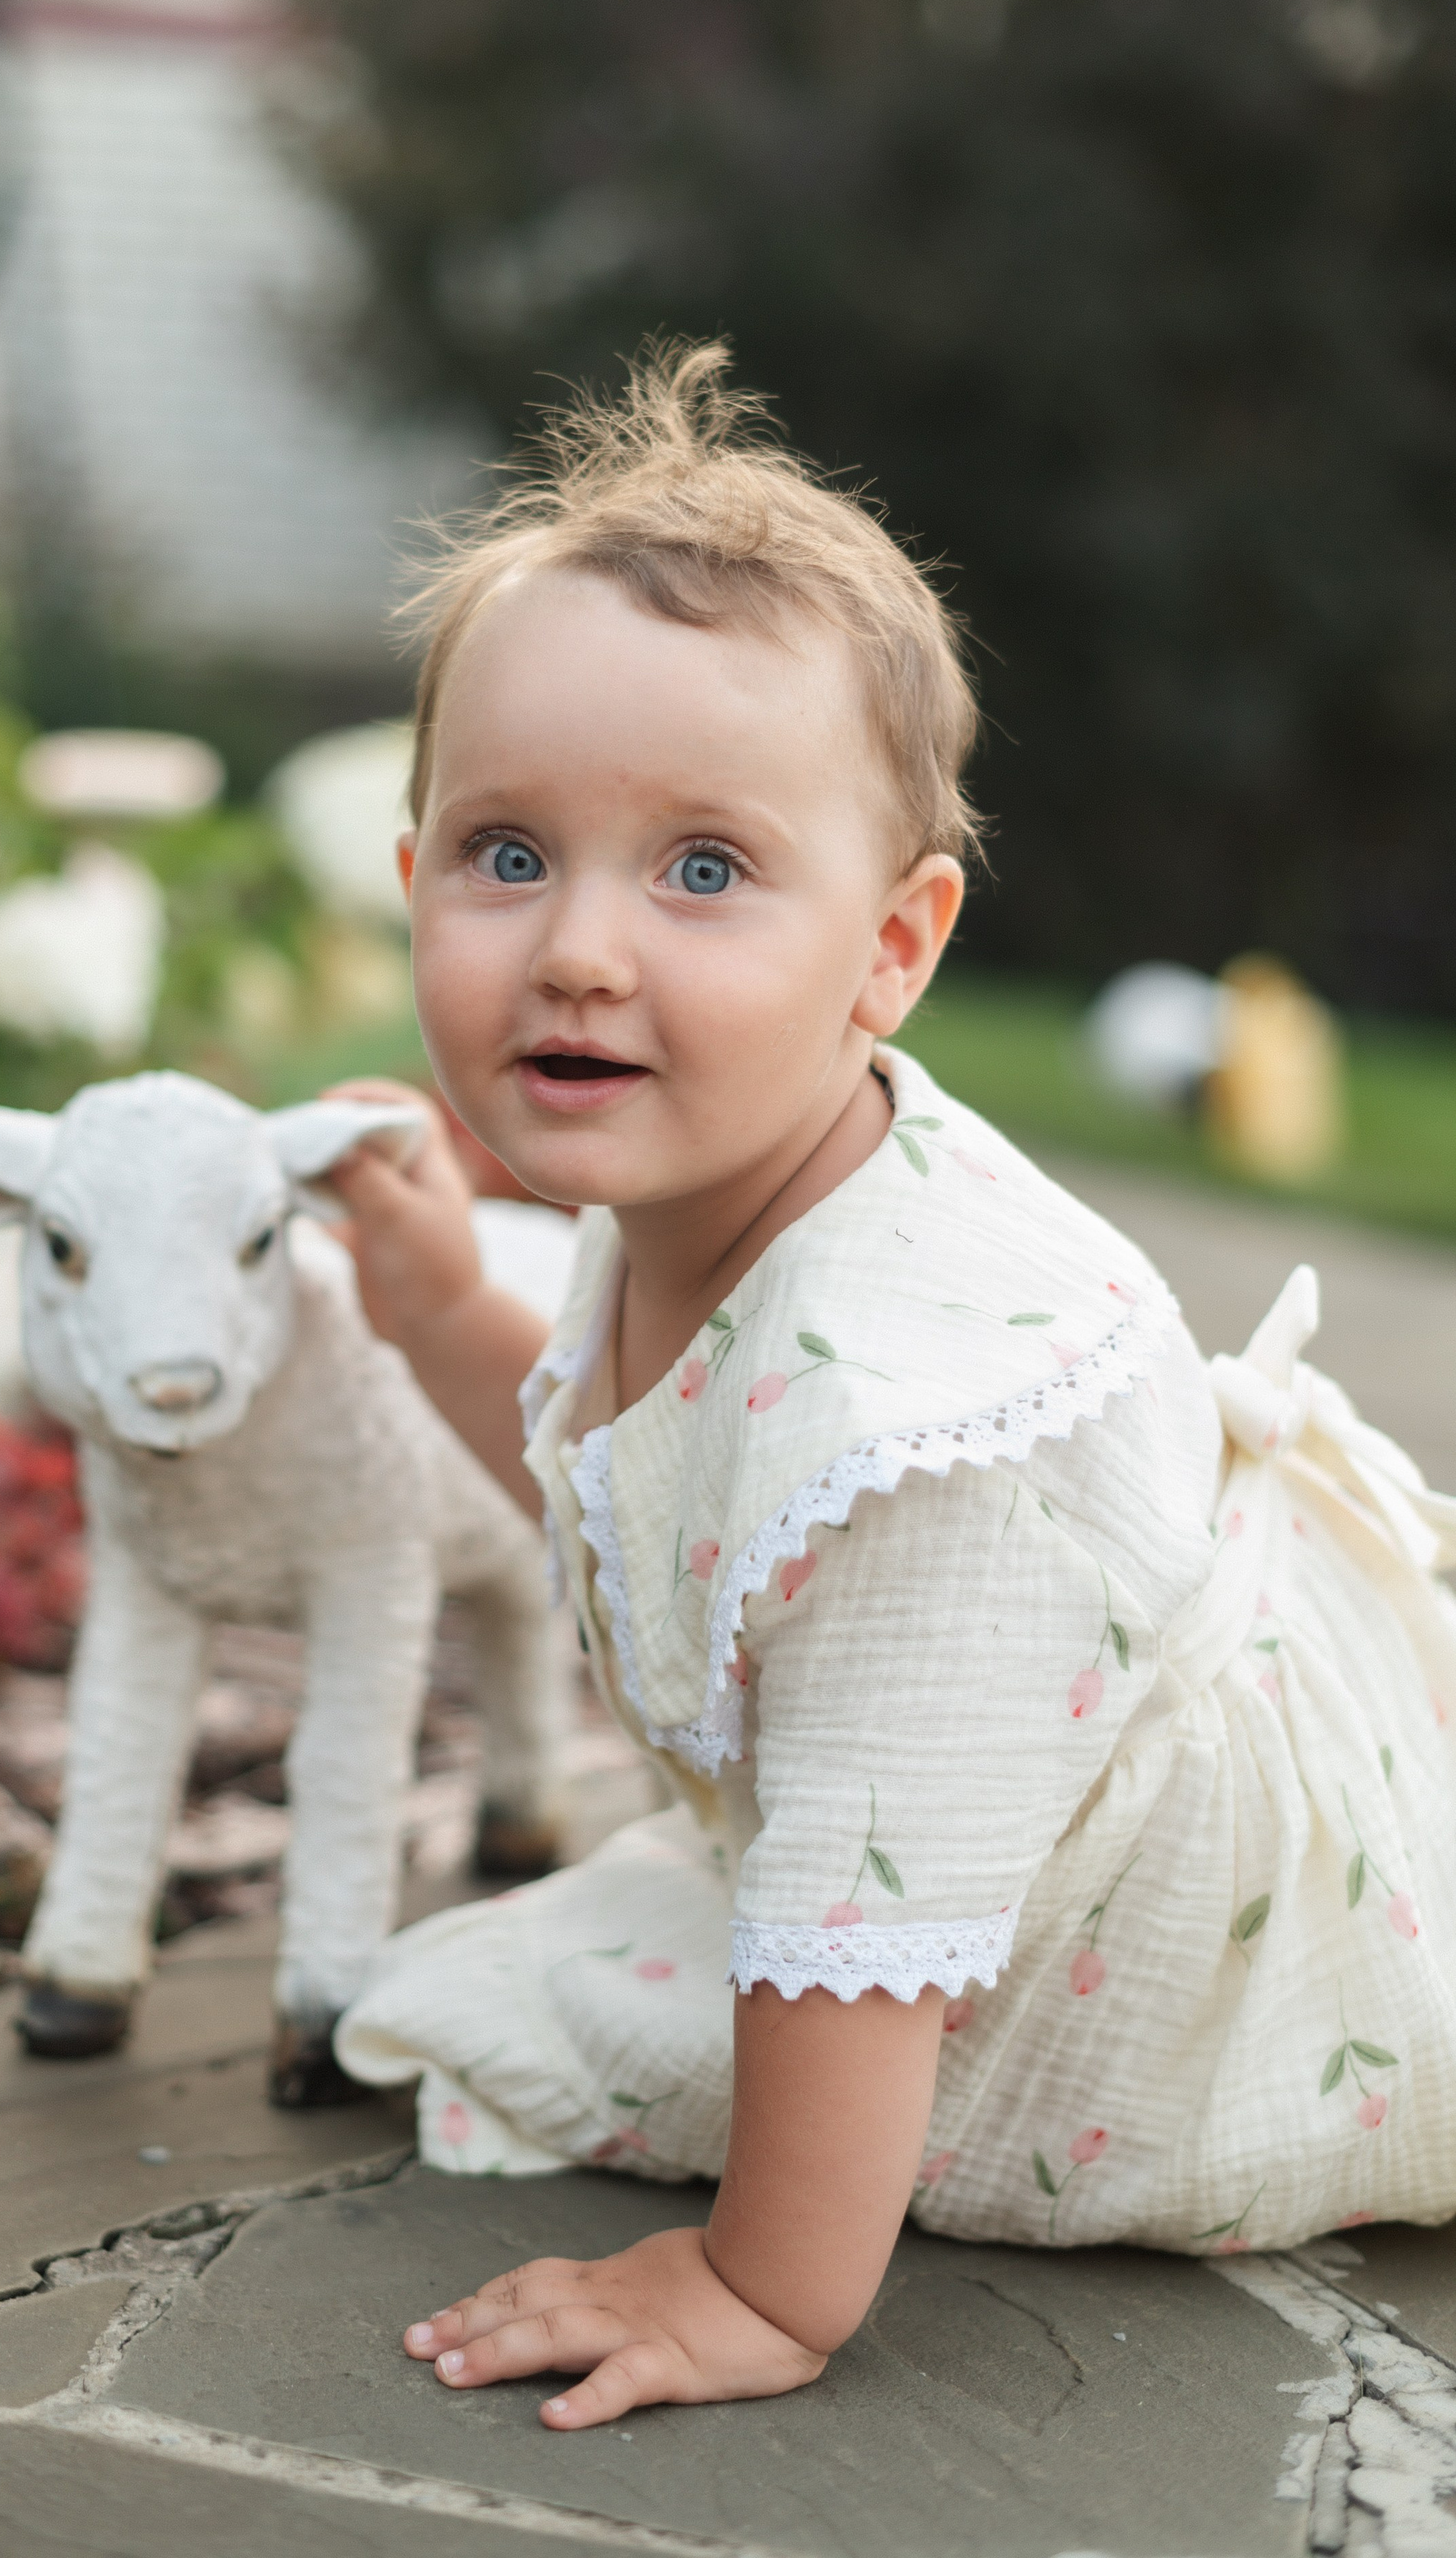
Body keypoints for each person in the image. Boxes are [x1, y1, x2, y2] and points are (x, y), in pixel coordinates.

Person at [319, 342, 1456, 2430]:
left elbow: (867, 1888)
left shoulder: (925, 1441)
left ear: (895, 949)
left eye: (703, 871)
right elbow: (640, 1473)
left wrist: (761, 2289)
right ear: (412, 883)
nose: (578, 948)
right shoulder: (709, 1153)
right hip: (964, 1818)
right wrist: (430, 1310)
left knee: (490, 2011)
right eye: (504, 855)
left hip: (1161, 1962)